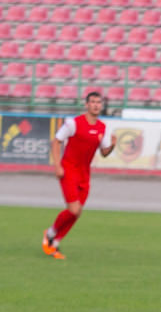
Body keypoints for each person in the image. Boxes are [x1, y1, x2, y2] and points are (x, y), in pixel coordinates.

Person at [41, 92, 116, 260]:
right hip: (68, 170)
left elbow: (103, 153)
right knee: (73, 209)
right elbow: (56, 141)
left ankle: (55, 242)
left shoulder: (102, 128)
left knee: (77, 212)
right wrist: (57, 166)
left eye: (99, 102)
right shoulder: (73, 123)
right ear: (87, 105)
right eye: (93, 102)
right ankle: (51, 233)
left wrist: (112, 146)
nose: (96, 105)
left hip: (84, 173)